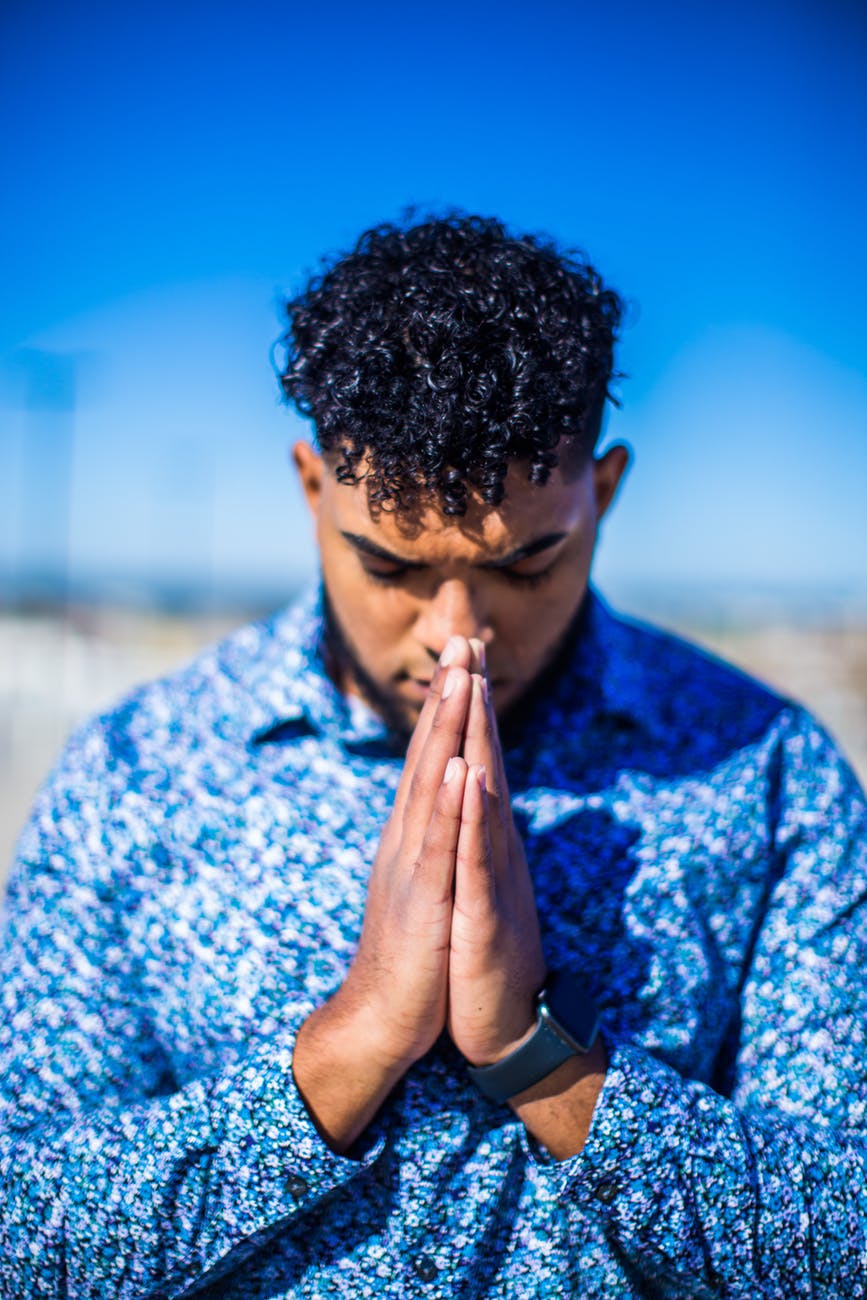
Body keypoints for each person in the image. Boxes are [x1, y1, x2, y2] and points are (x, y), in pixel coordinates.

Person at [1, 213, 865, 1299]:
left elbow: (848, 1243)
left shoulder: (768, 770)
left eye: (528, 564)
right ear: (313, 490)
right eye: (391, 565)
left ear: (605, 491)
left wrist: (542, 1059)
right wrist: (346, 1048)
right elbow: (24, 1237)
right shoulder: (137, 771)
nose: (457, 633)